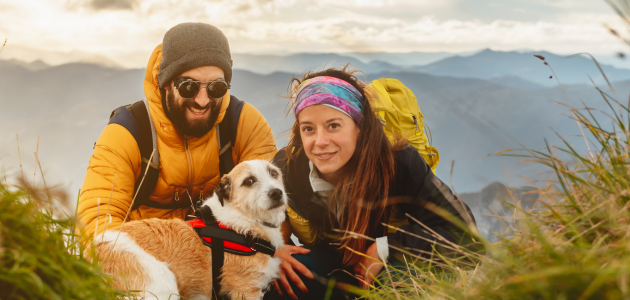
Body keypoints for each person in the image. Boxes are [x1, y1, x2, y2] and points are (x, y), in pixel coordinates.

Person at [270, 66, 481, 299]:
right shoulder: (286, 167)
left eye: (333, 126)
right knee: (275, 275)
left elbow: (468, 239)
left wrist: (387, 248)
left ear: (359, 128)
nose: (320, 141)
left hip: (389, 269)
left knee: (402, 281)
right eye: (308, 129)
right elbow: (248, 221)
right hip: (332, 267)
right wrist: (270, 250)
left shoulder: (399, 162)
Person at [77, 23, 277, 249]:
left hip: (228, 257)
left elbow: (274, 205)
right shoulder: (127, 133)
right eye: (188, 86)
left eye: (216, 87)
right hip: (144, 262)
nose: (202, 100)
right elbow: (96, 227)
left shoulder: (244, 123)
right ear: (165, 84)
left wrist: (267, 251)